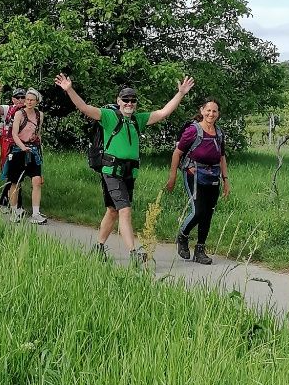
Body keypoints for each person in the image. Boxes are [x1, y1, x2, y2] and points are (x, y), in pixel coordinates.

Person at [55, 74, 195, 263]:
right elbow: (85, 108)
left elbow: (163, 113)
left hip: (129, 172)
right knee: (125, 210)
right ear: (118, 101)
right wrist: (69, 89)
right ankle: (133, 253)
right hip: (111, 171)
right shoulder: (108, 117)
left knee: (113, 210)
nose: (129, 103)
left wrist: (180, 93)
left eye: (133, 100)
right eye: (126, 100)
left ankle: (99, 247)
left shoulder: (138, 120)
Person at [165, 98, 230, 265]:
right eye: (208, 110)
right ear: (202, 111)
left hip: (213, 175)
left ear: (218, 114)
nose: (211, 114)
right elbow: (177, 153)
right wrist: (172, 176)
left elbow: (222, 157)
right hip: (193, 174)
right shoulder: (193, 130)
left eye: (214, 111)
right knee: (198, 211)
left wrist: (226, 180)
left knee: (208, 214)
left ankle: (200, 250)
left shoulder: (219, 133)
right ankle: (183, 236)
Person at [5, 88, 47, 224]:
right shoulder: (19, 114)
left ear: (36, 101)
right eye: (27, 99)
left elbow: (38, 133)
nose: (28, 102)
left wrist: (40, 151)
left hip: (34, 150)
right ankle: (14, 211)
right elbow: (14, 134)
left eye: (31, 100)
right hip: (18, 150)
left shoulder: (40, 115)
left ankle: (36, 213)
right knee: (15, 182)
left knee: (36, 181)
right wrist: (22, 147)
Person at [0, 82, 27, 211]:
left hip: (24, 145)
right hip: (9, 145)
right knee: (11, 174)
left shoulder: (28, 111)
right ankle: (8, 203)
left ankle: (10, 203)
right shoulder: (8, 109)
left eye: (23, 97)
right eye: (18, 97)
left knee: (20, 174)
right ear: (13, 99)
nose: (21, 100)